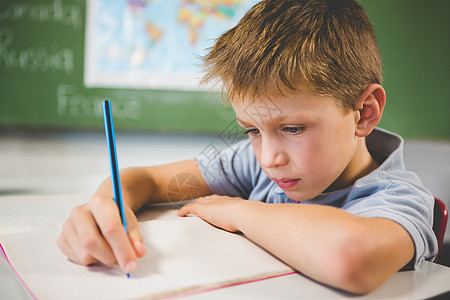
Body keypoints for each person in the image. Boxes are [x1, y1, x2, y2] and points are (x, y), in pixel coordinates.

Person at [57, 0, 438, 294]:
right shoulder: (261, 165)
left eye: (292, 128)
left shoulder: (398, 198)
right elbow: (152, 182)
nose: (269, 159)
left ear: (364, 113)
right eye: (251, 131)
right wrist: (107, 206)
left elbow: (350, 259)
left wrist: (238, 211)